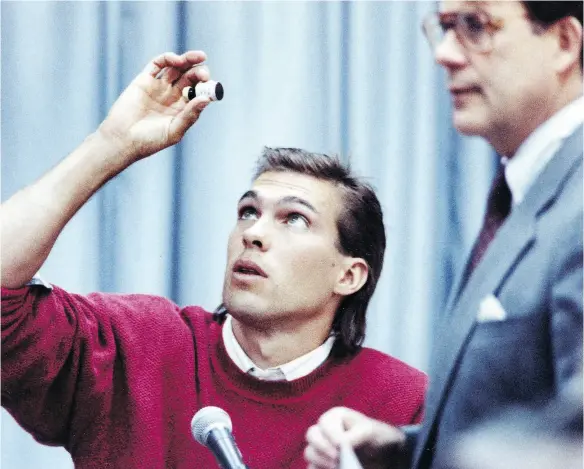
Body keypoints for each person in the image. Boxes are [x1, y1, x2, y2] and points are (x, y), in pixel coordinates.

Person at [0, 51, 427, 469]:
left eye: (294, 219)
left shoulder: (401, 408)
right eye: (248, 212)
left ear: (349, 275)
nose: (254, 233)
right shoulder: (136, 346)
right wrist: (110, 146)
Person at [304, 2, 583, 468]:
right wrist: (404, 450)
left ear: (563, 43)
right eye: (446, 27)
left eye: (475, 26)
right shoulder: (525, 194)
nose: (445, 54)